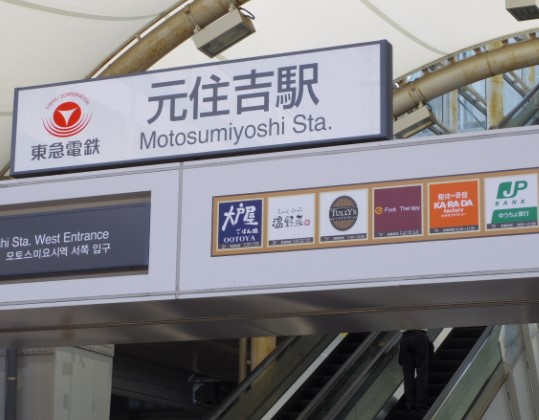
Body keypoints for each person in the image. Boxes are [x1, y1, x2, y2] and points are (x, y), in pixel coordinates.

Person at [399, 329, 430, 410]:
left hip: (405, 338)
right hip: (419, 336)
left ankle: (409, 402)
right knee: (422, 371)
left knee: (407, 373)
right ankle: (420, 402)